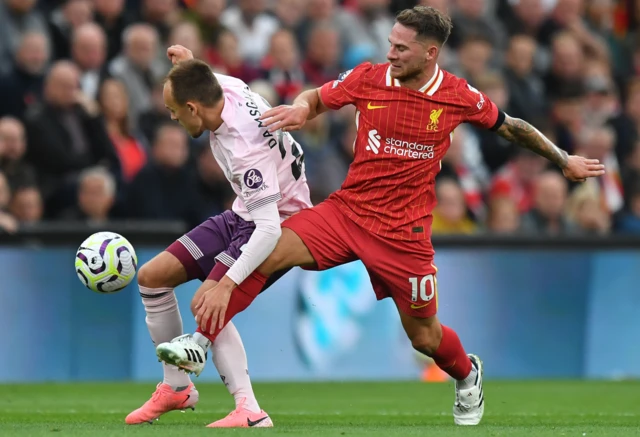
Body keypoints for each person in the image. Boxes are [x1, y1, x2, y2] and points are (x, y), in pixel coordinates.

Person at [158, 6, 605, 426]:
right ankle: (199, 343)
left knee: (425, 339)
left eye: (401, 48)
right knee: (271, 247)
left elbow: (511, 126)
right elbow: (319, 96)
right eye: (390, 43)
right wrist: (301, 108)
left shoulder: (456, 95)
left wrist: (562, 158)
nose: (390, 53)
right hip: (347, 212)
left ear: (431, 53)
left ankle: (468, 374)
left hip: (403, 236)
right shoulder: (370, 77)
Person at [125, 44, 312, 428]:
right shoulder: (224, 87)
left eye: (174, 112)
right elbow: (204, 78)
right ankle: (177, 388)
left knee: (209, 301)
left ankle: (250, 409)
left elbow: (268, 230)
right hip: (246, 210)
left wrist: (227, 283)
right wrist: (188, 63)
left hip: (279, 220)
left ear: (193, 108)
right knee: (152, 278)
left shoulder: (243, 147)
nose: (173, 119)